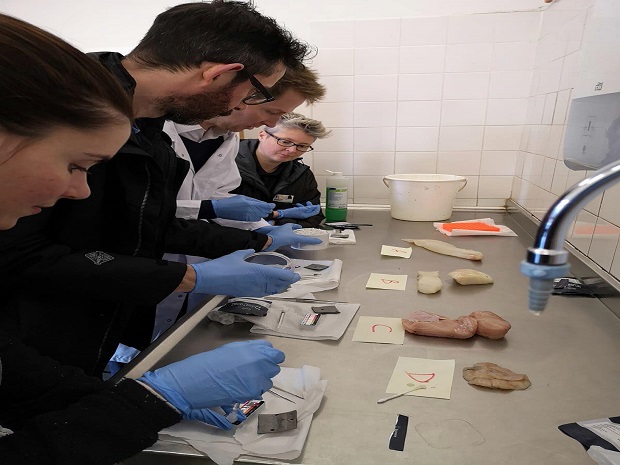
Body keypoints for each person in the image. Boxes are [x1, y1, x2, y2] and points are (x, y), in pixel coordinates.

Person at [0, 14, 284, 464]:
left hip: (80, 344)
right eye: (77, 166)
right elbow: (26, 258)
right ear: (222, 73)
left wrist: (121, 402)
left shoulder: (150, 134)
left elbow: (12, 374)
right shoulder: (71, 101)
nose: (80, 190)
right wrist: (154, 398)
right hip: (48, 319)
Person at [107, 67, 327, 369]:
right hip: (137, 265)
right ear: (240, 95)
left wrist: (266, 230)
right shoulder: (148, 133)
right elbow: (144, 211)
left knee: (174, 343)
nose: (272, 123)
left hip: (191, 260)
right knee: (130, 354)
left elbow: (221, 200)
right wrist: (221, 216)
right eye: (271, 111)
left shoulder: (225, 139)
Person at [233, 112, 331, 228]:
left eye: (302, 146)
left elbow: (313, 217)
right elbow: (215, 214)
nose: (292, 150)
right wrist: (274, 218)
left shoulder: (301, 175)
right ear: (262, 135)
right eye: (285, 142)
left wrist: (278, 224)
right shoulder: (227, 163)